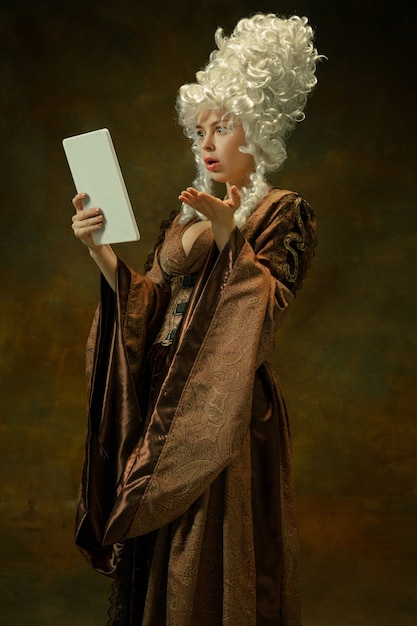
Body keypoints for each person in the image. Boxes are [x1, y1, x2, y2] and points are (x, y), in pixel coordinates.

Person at [71, 12, 321, 626]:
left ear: (256, 134)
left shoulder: (284, 213)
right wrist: (104, 255)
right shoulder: (184, 221)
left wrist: (229, 235)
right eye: (200, 129)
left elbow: (260, 318)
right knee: (161, 570)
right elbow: (149, 307)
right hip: (165, 408)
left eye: (224, 127)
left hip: (223, 410)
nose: (206, 143)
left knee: (210, 565)